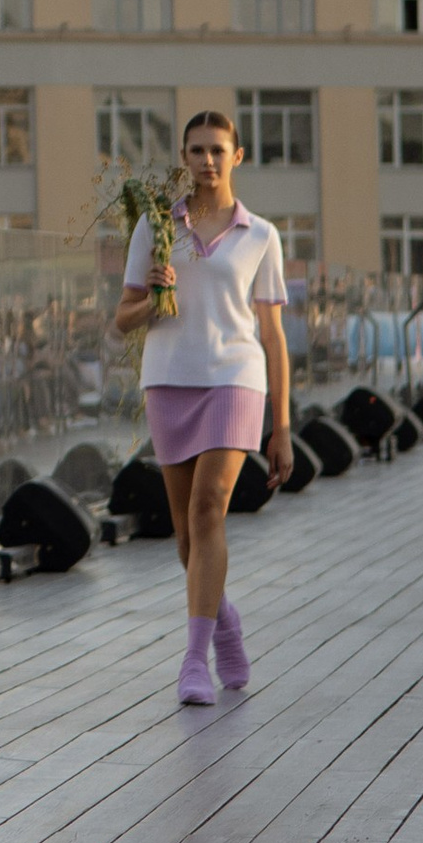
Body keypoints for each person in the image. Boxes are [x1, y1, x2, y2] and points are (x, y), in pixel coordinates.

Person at [113, 108, 292, 704]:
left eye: (218, 150)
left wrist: (282, 426)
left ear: (237, 156)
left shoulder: (261, 235)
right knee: (187, 535)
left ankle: (193, 661)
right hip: (168, 380)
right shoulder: (156, 228)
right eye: (197, 151)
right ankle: (225, 620)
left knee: (210, 506)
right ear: (184, 158)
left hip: (235, 378)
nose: (208, 161)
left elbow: (272, 336)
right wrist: (156, 294)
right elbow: (122, 319)